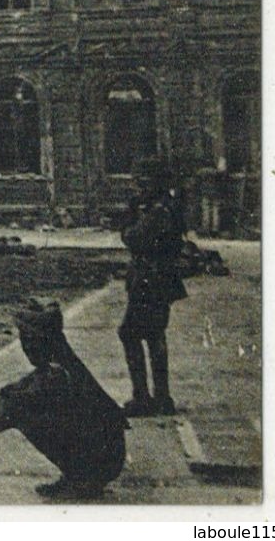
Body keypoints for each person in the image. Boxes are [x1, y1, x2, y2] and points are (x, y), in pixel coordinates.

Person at [0, 298, 126, 500]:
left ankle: (81, 478)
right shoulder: (63, 361)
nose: (24, 347)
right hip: (106, 456)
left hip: (102, 460)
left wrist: (6, 400)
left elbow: (7, 408)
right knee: (24, 407)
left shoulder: (56, 373)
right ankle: (76, 475)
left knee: (23, 412)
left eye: (26, 340)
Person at [116, 157, 188, 417]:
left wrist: (129, 222)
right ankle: (162, 397)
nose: (138, 186)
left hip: (150, 279)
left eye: (143, 181)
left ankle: (143, 398)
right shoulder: (167, 205)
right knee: (155, 334)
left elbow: (134, 237)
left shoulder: (157, 211)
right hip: (160, 278)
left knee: (130, 333)